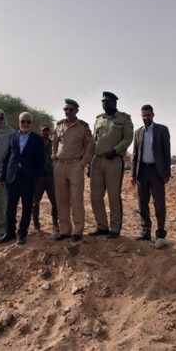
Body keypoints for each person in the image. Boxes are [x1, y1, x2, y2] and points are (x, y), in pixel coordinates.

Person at [89, 91, 134, 239]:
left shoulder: (124, 119)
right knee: (95, 197)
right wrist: (90, 163)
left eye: (107, 101)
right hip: (97, 160)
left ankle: (115, 228)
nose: (104, 104)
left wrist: (115, 150)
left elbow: (128, 138)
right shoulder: (99, 119)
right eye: (102, 102)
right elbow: (94, 140)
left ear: (114, 103)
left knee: (113, 197)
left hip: (114, 161)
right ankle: (102, 226)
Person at [51, 99, 95, 242]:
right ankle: (65, 230)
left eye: (71, 109)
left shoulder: (83, 127)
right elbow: (54, 142)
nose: (68, 112)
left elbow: (90, 145)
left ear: (76, 111)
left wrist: (83, 163)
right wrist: (54, 157)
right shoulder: (59, 125)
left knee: (76, 199)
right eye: (66, 109)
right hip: (60, 166)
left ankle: (77, 231)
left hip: (76, 165)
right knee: (61, 199)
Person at [0, 112, 45, 245]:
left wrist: (35, 177)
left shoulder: (37, 139)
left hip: (28, 178)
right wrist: (2, 176)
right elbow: (7, 157)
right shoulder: (12, 136)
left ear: (31, 123)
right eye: (22, 121)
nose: (25, 124)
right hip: (12, 177)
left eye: (28, 122)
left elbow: (40, 161)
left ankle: (22, 233)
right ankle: (9, 232)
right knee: (11, 206)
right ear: (19, 122)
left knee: (27, 206)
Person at [130, 105, 171, 247]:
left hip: (157, 172)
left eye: (148, 115)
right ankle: (145, 231)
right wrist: (133, 174)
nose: (146, 118)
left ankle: (160, 233)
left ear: (153, 115)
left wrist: (167, 173)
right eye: (144, 115)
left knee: (159, 203)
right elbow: (135, 154)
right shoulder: (138, 132)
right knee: (142, 203)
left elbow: (166, 152)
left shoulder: (162, 130)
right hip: (142, 172)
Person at [32, 124, 58, 233]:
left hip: (51, 177)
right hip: (39, 177)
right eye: (44, 130)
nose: (46, 132)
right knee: (35, 202)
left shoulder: (54, 144)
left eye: (47, 130)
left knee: (55, 202)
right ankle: (36, 225)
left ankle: (55, 223)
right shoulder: (35, 144)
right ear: (40, 131)